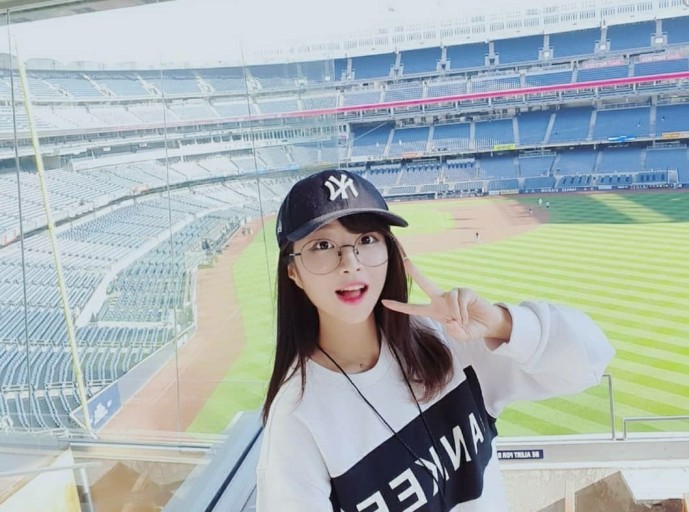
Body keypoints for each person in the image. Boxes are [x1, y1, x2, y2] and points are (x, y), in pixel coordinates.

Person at [256, 169, 614, 512]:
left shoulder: (448, 339)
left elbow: (591, 360)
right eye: (322, 245)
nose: (350, 263)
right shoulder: (296, 418)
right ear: (293, 271)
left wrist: (500, 323)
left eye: (366, 240)